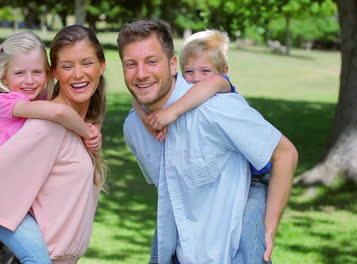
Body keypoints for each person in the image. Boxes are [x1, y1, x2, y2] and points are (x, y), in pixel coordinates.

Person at [118, 19, 298, 264]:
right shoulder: (134, 127)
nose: (141, 73)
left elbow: (285, 153)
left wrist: (268, 229)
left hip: (229, 254)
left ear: (172, 64)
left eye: (151, 61)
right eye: (131, 64)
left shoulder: (215, 109)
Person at [0, 25, 108, 264]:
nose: (78, 74)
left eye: (87, 63)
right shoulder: (47, 127)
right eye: (67, 66)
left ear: (102, 66)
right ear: (56, 72)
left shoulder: (74, 126)